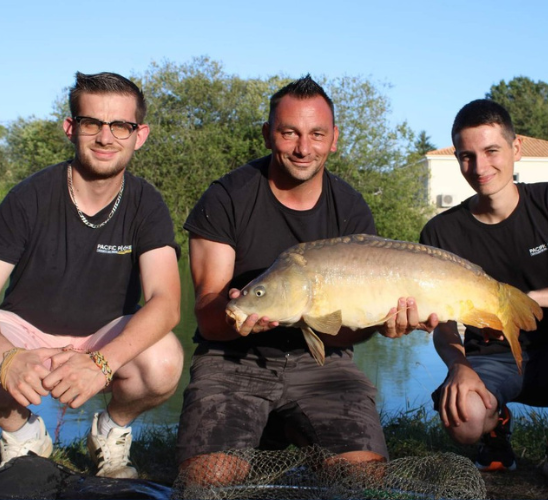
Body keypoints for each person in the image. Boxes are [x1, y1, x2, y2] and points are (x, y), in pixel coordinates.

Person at [176, 75, 436, 486]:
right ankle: (258, 431)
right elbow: (208, 316)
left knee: (362, 480)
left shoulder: (349, 207)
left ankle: (281, 432)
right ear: (267, 135)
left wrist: (380, 325)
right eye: (289, 133)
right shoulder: (227, 197)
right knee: (209, 482)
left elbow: (343, 338)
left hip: (322, 365)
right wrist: (234, 317)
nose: (303, 148)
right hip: (232, 362)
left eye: (317, 134)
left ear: (333, 139)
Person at [0, 72, 184, 479]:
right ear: (71, 128)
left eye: (121, 125)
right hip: (25, 333)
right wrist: (6, 357)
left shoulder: (147, 204)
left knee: (165, 361)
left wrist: (103, 363)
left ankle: (112, 429)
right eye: (92, 123)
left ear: (140, 135)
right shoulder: (28, 196)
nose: (106, 137)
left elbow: (167, 303)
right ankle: (24, 430)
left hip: (105, 337)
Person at [419, 99, 548, 492]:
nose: (480, 168)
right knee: (464, 423)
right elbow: (443, 322)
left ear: (516, 149)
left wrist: (527, 300)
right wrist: (457, 365)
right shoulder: (440, 233)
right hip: (490, 362)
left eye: (491, 151)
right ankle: (494, 428)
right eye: (467, 157)